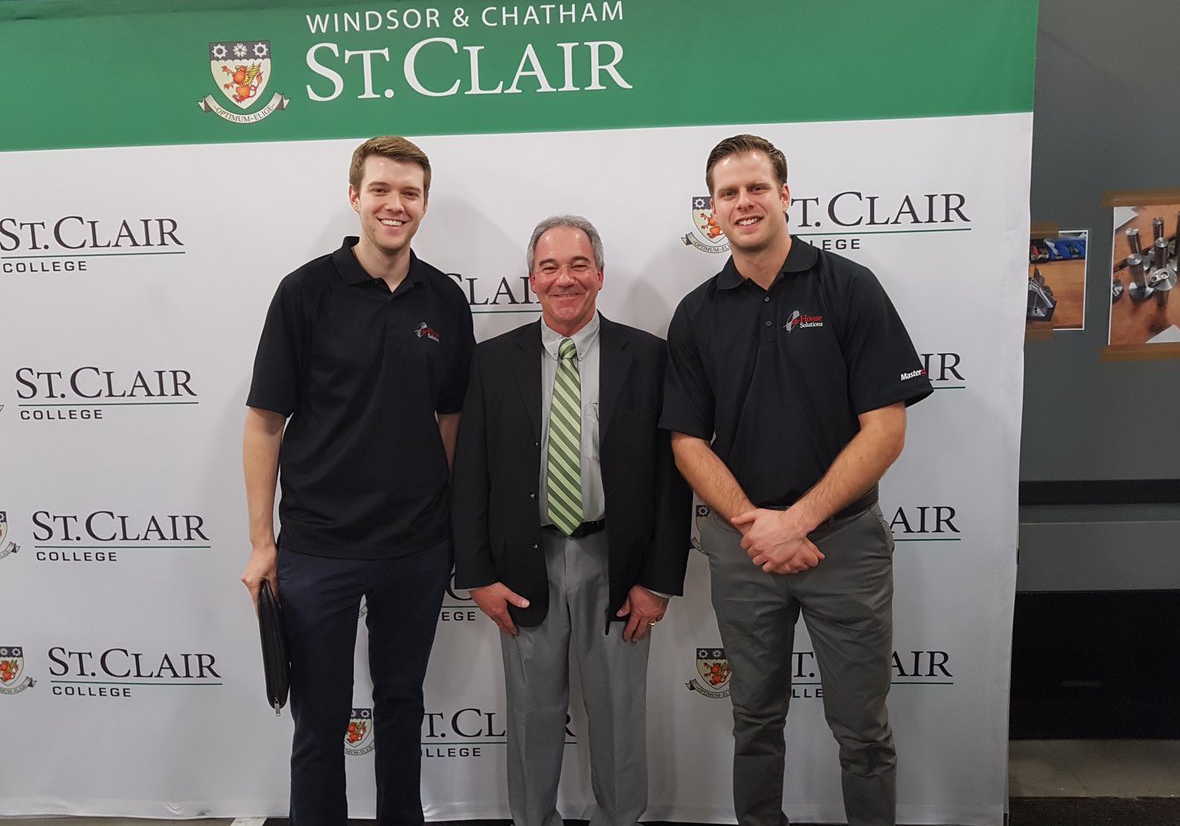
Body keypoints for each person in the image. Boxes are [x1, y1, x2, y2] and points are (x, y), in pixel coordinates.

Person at [661, 135, 933, 826]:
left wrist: (798, 520)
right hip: (744, 550)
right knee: (754, 720)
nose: (743, 202)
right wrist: (760, 526)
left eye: (757, 188)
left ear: (786, 195)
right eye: (728, 193)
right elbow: (687, 443)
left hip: (843, 545)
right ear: (712, 210)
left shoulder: (849, 288)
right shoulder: (696, 313)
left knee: (862, 732)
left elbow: (886, 429)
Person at [239, 135, 474, 826]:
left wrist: (449, 524)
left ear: (424, 204)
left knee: (402, 706)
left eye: (409, 193)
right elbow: (262, 423)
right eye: (381, 190)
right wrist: (262, 543)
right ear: (355, 197)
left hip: (417, 548)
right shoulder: (305, 292)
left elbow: (451, 419)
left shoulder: (445, 301)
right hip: (318, 548)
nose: (394, 204)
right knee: (321, 725)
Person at [452, 215, 691, 826]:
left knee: (618, 715)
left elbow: (672, 479)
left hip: (618, 564)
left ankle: (622, 819)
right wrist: (477, 574)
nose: (566, 279)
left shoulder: (650, 357)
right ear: (532, 279)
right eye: (551, 267)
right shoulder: (489, 362)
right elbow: (470, 474)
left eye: (579, 265)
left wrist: (657, 581)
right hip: (521, 566)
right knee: (531, 717)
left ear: (601, 275)